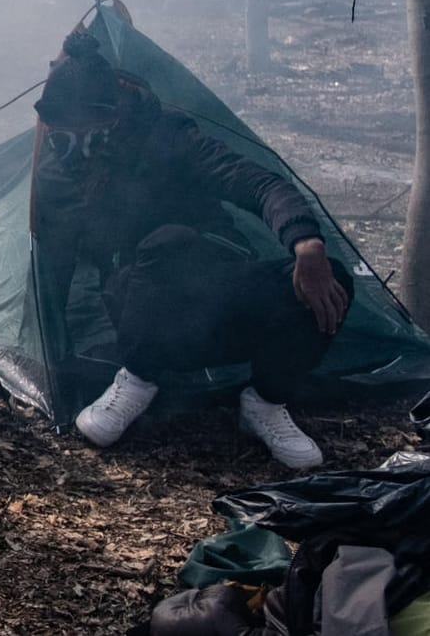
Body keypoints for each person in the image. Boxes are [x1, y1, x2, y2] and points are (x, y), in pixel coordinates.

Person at [32, 30, 352, 469]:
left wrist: (306, 243)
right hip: (144, 321)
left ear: (113, 119)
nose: (71, 150)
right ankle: (135, 381)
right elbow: (55, 266)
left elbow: (259, 183)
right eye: (59, 137)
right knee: (163, 248)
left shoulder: (170, 140)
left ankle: (265, 404)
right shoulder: (54, 176)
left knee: (333, 281)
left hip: (220, 295)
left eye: (82, 136)